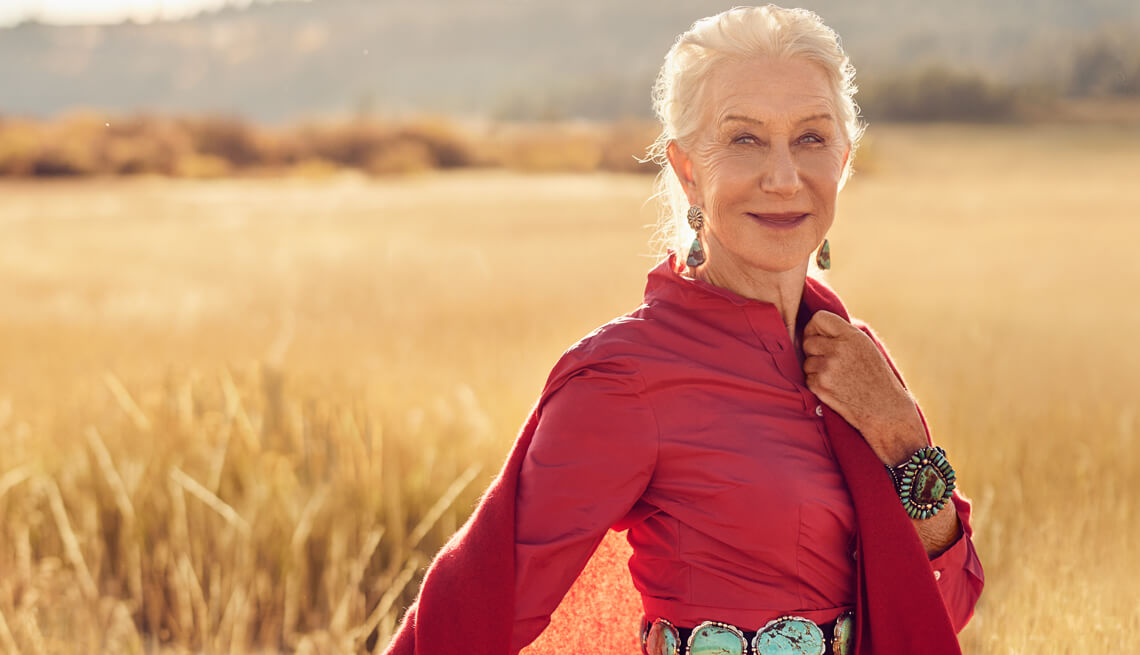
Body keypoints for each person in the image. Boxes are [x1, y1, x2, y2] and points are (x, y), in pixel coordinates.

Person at [384, 6, 983, 655]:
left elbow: (936, 611)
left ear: (843, 159)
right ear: (687, 167)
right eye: (745, 139)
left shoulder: (854, 356)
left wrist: (903, 438)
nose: (784, 177)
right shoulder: (627, 375)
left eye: (811, 138)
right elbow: (470, 614)